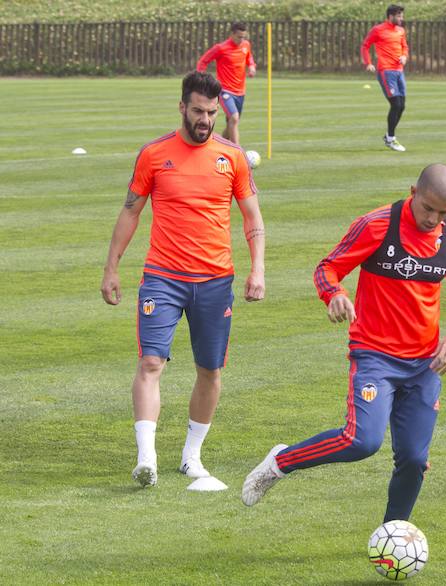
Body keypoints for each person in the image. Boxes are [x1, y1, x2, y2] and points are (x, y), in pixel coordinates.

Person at [242, 164, 446, 523]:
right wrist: (333, 294)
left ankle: (392, 537)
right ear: (413, 192)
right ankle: (280, 462)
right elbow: (328, 268)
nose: (434, 219)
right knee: (361, 441)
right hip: (375, 356)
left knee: (414, 460)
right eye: (428, 208)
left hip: (424, 365)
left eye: (444, 212)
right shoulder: (377, 225)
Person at [101, 71, 266, 487]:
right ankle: (147, 458)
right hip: (163, 277)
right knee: (151, 361)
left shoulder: (233, 156)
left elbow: (252, 219)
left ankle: (191, 457)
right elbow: (131, 211)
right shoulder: (154, 154)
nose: (205, 119)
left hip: (215, 281)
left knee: (210, 370)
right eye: (198, 111)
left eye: (211, 112)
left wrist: (258, 269)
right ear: (182, 108)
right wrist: (112, 267)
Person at [197, 22, 257, 146]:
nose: (242, 40)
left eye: (244, 37)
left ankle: (219, 144)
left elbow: (249, 58)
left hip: (240, 91)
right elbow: (203, 61)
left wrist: (251, 66)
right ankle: (238, 153)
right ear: (232, 34)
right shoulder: (221, 48)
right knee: (234, 118)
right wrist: (201, 79)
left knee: (232, 122)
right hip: (225, 91)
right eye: (239, 37)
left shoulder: (246, 45)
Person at [361, 4, 409, 152]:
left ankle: (388, 136)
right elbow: (365, 45)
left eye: (402, 15)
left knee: (401, 105)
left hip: (399, 71)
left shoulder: (401, 30)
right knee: (395, 104)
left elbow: (405, 47)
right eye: (399, 16)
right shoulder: (378, 30)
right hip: (386, 71)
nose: (402, 18)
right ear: (391, 16)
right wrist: (368, 63)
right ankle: (391, 139)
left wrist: (404, 56)